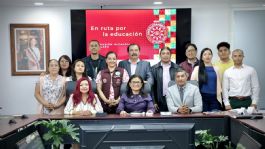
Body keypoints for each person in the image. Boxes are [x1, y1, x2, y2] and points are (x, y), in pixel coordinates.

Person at [151, 47, 180, 112]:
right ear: (160, 55)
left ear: (170, 55)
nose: (165, 55)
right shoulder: (154, 68)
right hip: (160, 100)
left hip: (174, 99)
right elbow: (152, 87)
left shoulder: (177, 68)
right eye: (163, 53)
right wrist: (154, 101)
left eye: (167, 53)